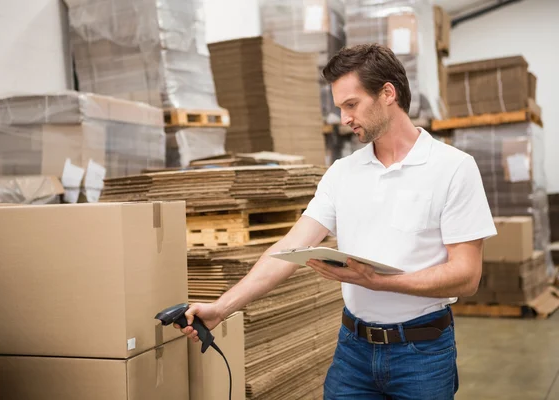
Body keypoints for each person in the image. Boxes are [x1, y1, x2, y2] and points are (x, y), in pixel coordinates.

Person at [175, 43, 497, 399]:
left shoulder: (453, 168)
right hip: (353, 351)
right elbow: (288, 247)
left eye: (351, 104)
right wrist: (222, 308)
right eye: (340, 107)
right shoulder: (343, 173)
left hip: (422, 352)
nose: (344, 118)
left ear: (387, 93)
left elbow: (467, 276)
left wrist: (378, 281)